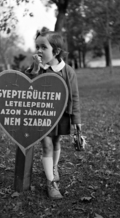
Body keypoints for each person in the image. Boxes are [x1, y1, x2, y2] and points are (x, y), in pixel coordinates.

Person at [25, 29, 82, 199]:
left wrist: (76, 120)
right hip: (43, 116)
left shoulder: (68, 71)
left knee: (56, 143)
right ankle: (51, 182)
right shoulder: (38, 68)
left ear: (56, 51)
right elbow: (27, 85)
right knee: (47, 146)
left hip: (61, 114)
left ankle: (54, 167)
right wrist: (35, 69)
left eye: (44, 47)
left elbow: (74, 96)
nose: (39, 50)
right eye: (37, 47)